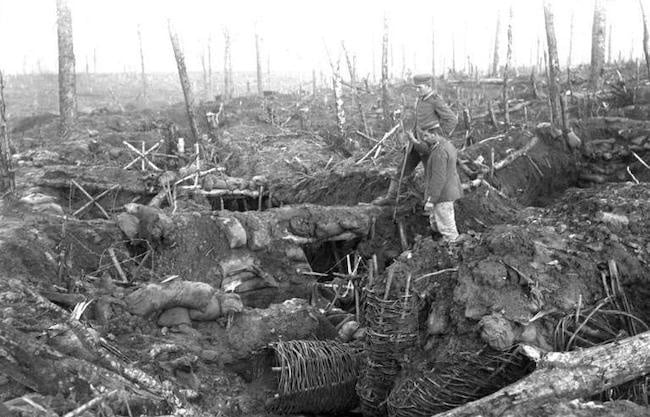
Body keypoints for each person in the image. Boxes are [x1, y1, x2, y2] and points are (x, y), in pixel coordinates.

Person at [373, 73, 462, 241]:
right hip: (416, 143)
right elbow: (418, 122)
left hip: (429, 147)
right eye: (416, 87)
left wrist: (438, 137)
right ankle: (390, 198)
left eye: (420, 87)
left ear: (429, 86)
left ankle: (434, 207)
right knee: (401, 169)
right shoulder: (421, 99)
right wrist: (412, 139)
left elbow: (452, 120)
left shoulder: (435, 100)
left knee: (434, 177)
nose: (417, 90)